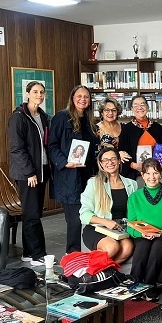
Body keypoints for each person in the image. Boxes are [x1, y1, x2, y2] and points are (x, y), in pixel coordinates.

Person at [49, 85, 97, 253]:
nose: (83, 99)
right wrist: (64, 162)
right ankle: (73, 254)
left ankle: (88, 252)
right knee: (74, 220)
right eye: (79, 96)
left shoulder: (90, 120)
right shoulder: (61, 117)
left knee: (88, 215)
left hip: (87, 175)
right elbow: (52, 146)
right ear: (72, 98)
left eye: (86, 97)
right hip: (68, 176)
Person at [8, 80, 50, 266]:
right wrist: (30, 173)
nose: (39, 95)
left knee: (34, 212)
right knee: (32, 213)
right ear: (27, 94)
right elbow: (17, 149)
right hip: (28, 174)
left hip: (42, 171)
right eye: (35, 92)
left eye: (41, 92)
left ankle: (29, 252)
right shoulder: (19, 117)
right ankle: (36, 254)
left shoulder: (43, 116)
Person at [125, 158, 162, 300]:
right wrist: (141, 233)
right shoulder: (134, 197)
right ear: (142, 175)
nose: (152, 177)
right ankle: (135, 283)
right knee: (142, 246)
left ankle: (150, 285)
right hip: (142, 236)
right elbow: (130, 225)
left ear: (161, 174)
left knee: (158, 246)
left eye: (155, 173)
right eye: (148, 173)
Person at [80, 147, 137, 263]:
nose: (109, 162)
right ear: (101, 163)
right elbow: (84, 214)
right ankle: (85, 269)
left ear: (119, 160)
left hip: (120, 228)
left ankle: (103, 272)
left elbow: (134, 211)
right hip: (97, 228)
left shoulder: (132, 184)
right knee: (112, 247)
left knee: (127, 248)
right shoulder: (94, 183)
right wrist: (106, 222)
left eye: (113, 159)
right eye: (105, 160)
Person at [117, 95, 162, 179]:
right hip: (135, 174)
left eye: (142, 104)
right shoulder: (127, 129)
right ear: (132, 109)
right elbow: (122, 153)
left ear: (147, 107)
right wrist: (134, 165)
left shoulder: (157, 127)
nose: (139, 108)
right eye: (136, 105)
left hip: (155, 173)